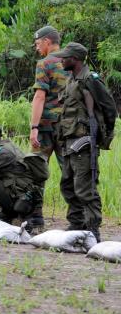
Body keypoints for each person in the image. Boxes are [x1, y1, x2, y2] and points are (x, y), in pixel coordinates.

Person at [52, 42, 116, 242]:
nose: (61, 60)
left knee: (85, 188)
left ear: (75, 59)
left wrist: (102, 133)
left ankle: (92, 229)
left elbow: (109, 108)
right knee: (67, 185)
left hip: (84, 142)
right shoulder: (73, 80)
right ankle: (76, 223)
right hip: (70, 141)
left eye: (65, 57)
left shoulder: (90, 80)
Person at [27, 25, 69, 231]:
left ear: (46, 41)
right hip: (68, 128)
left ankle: (36, 217)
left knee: (36, 169)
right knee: (70, 171)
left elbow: (39, 96)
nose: (37, 48)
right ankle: (79, 218)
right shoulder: (72, 62)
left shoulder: (45, 63)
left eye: (37, 44)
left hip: (45, 128)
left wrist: (34, 127)